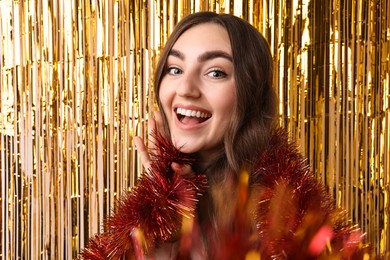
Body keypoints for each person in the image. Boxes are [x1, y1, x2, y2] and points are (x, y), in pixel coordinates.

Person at [81, 12, 368, 259]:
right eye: (175, 69)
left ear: (250, 93)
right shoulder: (155, 209)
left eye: (215, 72)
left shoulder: (288, 213)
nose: (186, 89)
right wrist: (158, 219)